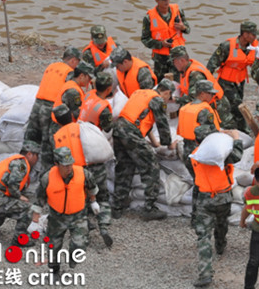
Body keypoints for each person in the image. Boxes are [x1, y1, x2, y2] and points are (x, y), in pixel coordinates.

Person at [111, 79, 176, 220]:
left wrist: (155, 143)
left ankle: (117, 206)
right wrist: (169, 144)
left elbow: (145, 121)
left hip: (118, 129)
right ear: (167, 92)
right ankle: (149, 208)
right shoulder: (157, 100)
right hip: (130, 132)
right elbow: (162, 124)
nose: (167, 100)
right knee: (151, 167)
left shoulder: (140, 93)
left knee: (125, 167)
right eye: (168, 97)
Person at [31, 147, 99, 279]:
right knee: (53, 246)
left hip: (78, 216)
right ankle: (54, 270)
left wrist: (93, 201)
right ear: (56, 164)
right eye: (65, 165)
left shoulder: (83, 173)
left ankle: (73, 258)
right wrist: (35, 220)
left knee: (80, 244)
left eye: (70, 164)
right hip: (57, 217)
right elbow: (39, 200)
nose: (69, 168)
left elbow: (92, 188)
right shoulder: (47, 178)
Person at [53, 104, 112, 248]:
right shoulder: (83, 127)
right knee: (102, 197)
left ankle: (85, 232)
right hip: (95, 168)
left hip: (76, 173)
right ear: (72, 116)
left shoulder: (57, 136)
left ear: (58, 121)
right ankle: (103, 226)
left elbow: (58, 160)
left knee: (80, 203)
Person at [191, 129, 244, 288]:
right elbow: (237, 155)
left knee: (203, 235)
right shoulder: (221, 154)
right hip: (223, 196)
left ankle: (205, 273)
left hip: (205, 198)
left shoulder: (195, 155)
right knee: (222, 223)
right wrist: (236, 138)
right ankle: (220, 245)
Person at [24, 46, 81, 173]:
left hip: (37, 105)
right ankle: (46, 175)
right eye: (77, 62)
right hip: (50, 108)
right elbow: (69, 92)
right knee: (47, 141)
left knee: (30, 140)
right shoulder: (69, 72)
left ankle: (22, 171)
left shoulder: (51, 66)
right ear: (73, 60)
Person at [177, 80, 222, 226]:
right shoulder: (204, 110)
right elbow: (211, 133)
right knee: (204, 186)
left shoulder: (185, 108)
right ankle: (201, 218)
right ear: (202, 93)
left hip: (187, 150)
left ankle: (195, 217)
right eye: (210, 94)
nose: (212, 97)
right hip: (200, 152)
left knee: (198, 184)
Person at [0, 141, 40, 245]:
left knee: (3, 207)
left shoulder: (12, 160)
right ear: (29, 154)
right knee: (27, 209)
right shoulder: (21, 164)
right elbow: (13, 182)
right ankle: (19, 240)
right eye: (36, 155)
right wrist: (19, 196)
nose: (37, 159)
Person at [206, 21, 259, 132]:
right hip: (226, 82)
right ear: (245, 34)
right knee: (239, 106)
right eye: (253, 34)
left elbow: (256, 65)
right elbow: (212, 64)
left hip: (240, 81)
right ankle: (244, 130)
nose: (255, 37)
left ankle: (231, 127)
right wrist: (208, 84)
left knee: (232, 106)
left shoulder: (253, 47)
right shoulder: (227, 46)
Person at [44, 61, 93, 173]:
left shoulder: (70, 84)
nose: (89, 82)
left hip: (61, 125)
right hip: (61, 128)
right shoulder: (73, 91)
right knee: (64, 159)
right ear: (81, 76)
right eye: (88, 78)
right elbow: (78, 113)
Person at [171, 46, 236, 129]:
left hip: (217, 105)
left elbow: (194, 98)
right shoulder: (185, 69)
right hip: (208, 104)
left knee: (225, 129)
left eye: (174, 62)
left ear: (182, 61)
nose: (173, 64)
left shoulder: (195, 74)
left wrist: (174, 100)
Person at [141, 0, 191, 82]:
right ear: (156, 0)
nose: (166, 1)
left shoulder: (178, 11)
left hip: (178, 54)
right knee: (160, 82)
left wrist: (183, 27)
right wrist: (161, 44)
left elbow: (188, 30)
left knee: (179, 81)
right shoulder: (149, 18)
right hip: (160, 57)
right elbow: (145, 39)